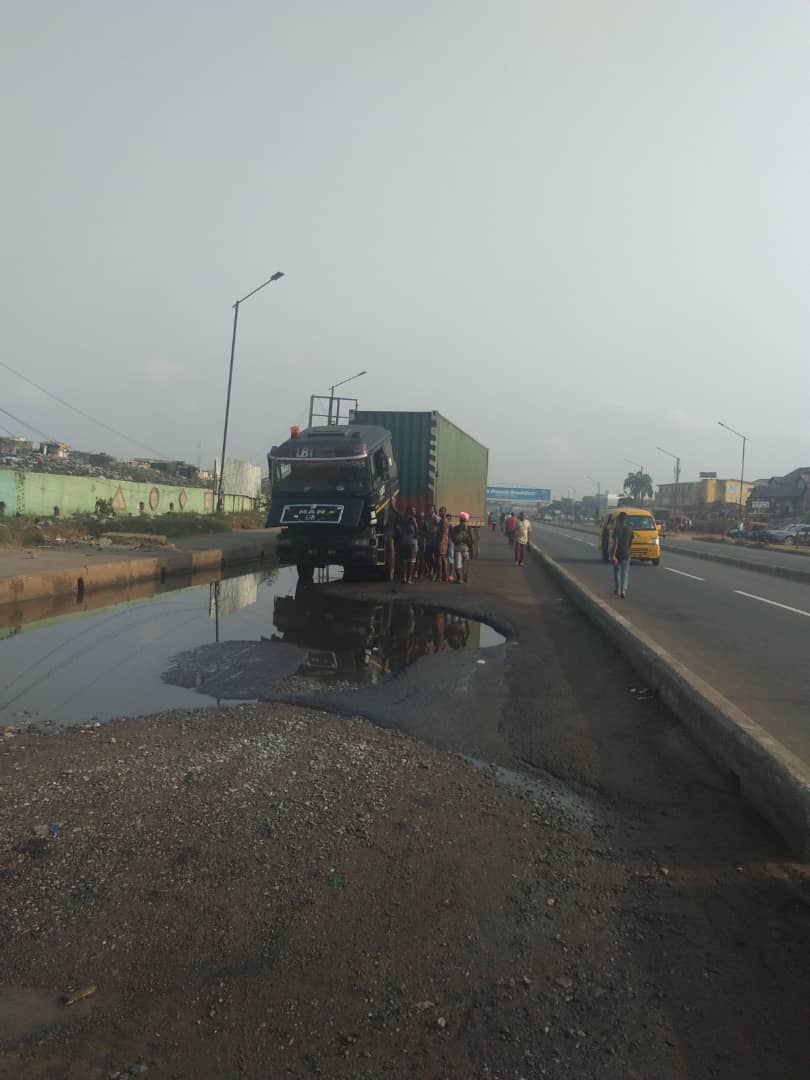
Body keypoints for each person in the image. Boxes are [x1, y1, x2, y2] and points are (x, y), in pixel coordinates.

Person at [610, 510, 634, 598]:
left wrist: (613, 555)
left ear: (619, 519)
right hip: (626, 554)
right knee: (625, 573)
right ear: (626, 520)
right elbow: (630, 543)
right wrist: (628, 551)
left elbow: (615, 543)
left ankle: (618, 590)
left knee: (617, 572)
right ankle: (623, 591)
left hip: (618, 555)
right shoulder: (630, 529)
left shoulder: (616, 529)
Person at [452, 512, 474, 584]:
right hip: (465, 547)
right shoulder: (469, 528)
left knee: (457, 565)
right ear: (466, 520)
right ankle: (465, 578)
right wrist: (471, 549)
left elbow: (453, 538)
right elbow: (471, 540)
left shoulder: (455, 528)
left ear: (460, 520)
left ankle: (459, 579)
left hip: (457, 547)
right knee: (465, 563)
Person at [399, 506, 419, 584]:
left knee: (404, 560)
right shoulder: (412, 519)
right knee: (412, 560)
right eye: (413, 510)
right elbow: (416, 528)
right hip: (412, 541)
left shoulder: (403, 518)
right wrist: (416, 537)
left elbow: (400, 529)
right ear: (410, 511)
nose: (414, 511)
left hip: (404, 541)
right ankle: (409, 578)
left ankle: (404, 577)